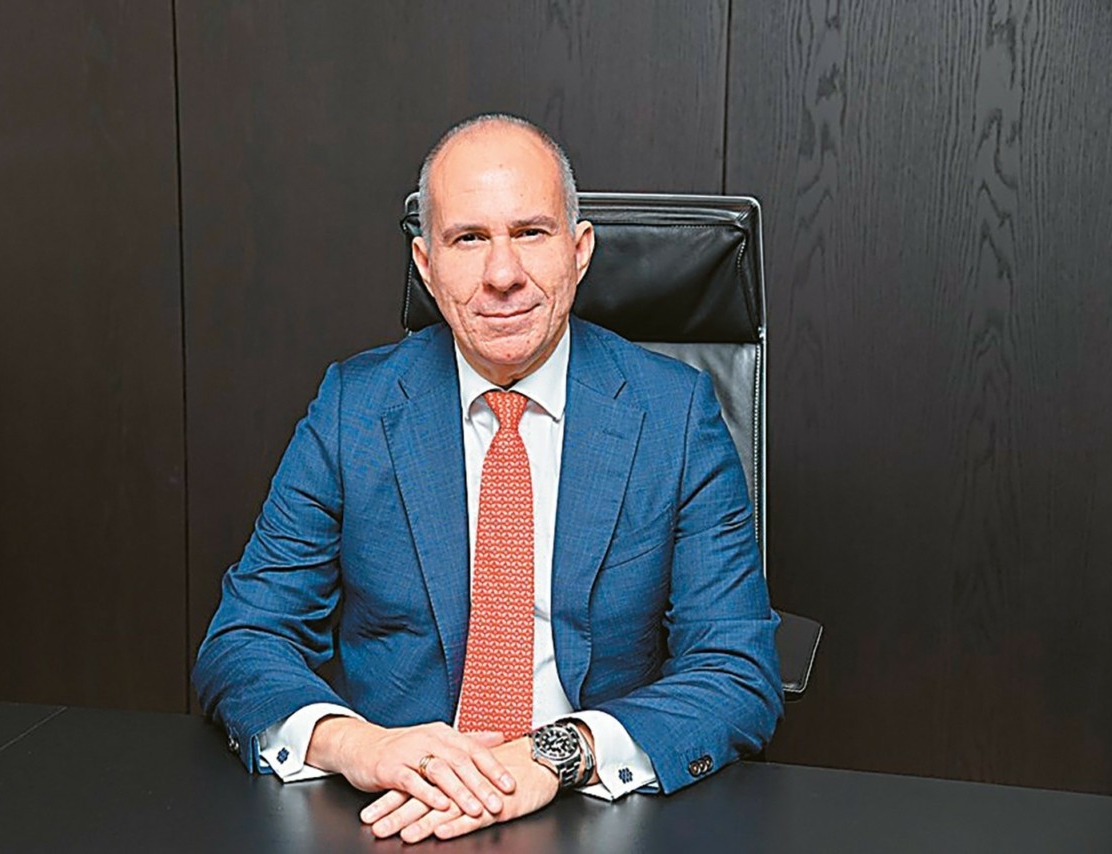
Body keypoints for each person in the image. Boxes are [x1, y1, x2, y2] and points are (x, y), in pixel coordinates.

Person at [193, 113, 782, 843]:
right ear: (426, 265)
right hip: (392, 811)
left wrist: (554, 755)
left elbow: (735, 668)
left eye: (530, 233)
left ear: (579, 251)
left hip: (591, 808)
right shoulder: (355, 408)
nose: (502, 275)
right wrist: (359, 745)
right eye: (468, 239)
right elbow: (246, 637)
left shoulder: (675, 415)